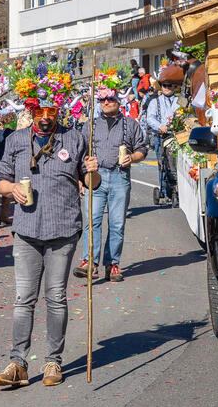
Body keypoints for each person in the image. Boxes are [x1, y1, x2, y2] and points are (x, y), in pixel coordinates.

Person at [0, 95, 99, 388]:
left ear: (58, 112)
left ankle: (53, 361)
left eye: (51, 111)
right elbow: (0, 180)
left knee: (56, 297)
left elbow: (91, 184)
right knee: (23, 299)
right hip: (26, 230)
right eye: (39, 111)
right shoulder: (15, 141)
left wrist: (93, 171)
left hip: (63, 230)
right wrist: (11, 187)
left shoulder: (75, 138)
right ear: (31, 111)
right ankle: (18, 363)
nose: (45, 117)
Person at [74, 86, 148, 282]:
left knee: (116, 224)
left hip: (119, 177)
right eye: (102, 100)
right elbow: (80, 152)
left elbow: (142, 149)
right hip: (95, 178)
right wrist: (82, 176)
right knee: (92, 222)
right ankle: (90, 261)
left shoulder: (130, 124)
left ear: (119, 101)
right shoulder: (90, 125)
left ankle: (113, 264)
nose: (106, 103)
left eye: (110, 99)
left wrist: (132, 158)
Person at [144, 66, 183, 202]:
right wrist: (160, 126)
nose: (167, 88)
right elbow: (150, 118)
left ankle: (178, 189)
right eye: (165, 85)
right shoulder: (155, 101)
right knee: (163, 163)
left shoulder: (180, 101)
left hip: (177, 136)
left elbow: (186, 114)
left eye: (170, 86)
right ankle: (166, 191)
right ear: (161, 87)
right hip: (161, 136)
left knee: (176, 164)